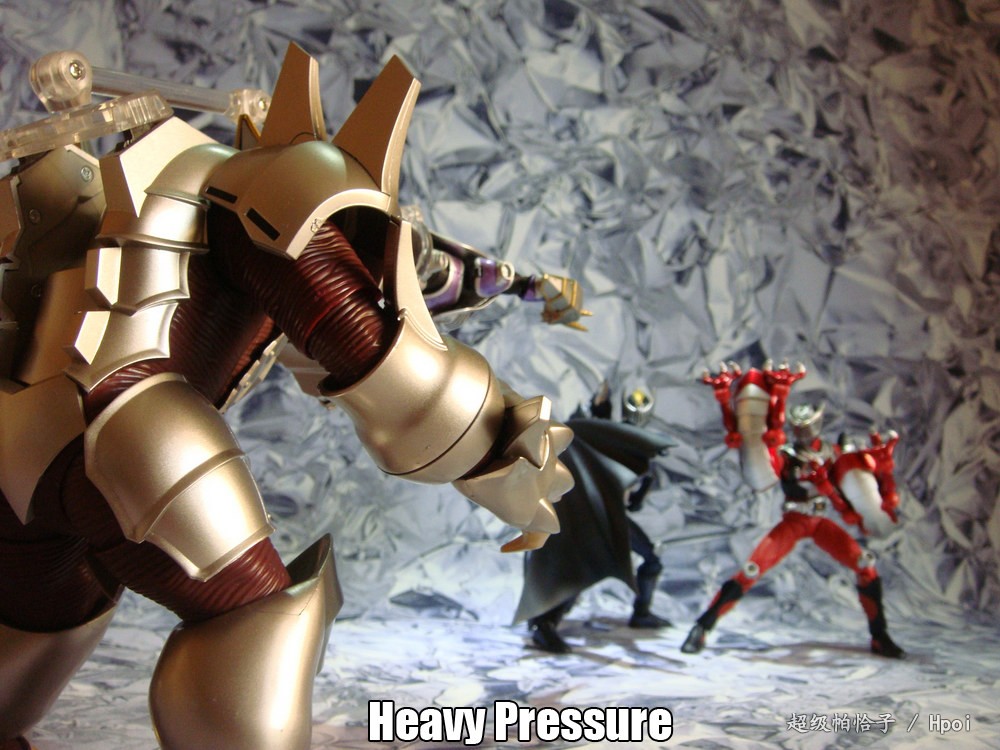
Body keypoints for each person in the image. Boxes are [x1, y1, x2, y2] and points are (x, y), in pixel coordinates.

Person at [0, 44, 574, 750]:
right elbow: (374, 351)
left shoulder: (115, 206)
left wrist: (519, 286)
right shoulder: (258, 191)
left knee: (29, 635)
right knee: (249, 614)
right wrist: (507, 455)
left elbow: (427, 276)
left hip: (17, 450)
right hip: (118, 432)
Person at [681, 361, 904, 659]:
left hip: (820, 520)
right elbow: (763, 454)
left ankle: (880, 636)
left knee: (866, 564)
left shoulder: (832, 453)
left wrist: (881, 472)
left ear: (818, 423)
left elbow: (850, 506)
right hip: (794, 520)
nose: (804, 431)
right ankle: (702, 626)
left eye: (808, 425)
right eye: (799, 427)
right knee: (751, 569)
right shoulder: (787, 454)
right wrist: (741, 408)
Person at [515, 384, 673, 653]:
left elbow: (632, 503)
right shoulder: (604, 436)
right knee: (578, 569)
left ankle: (641, 613)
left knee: (652, 558)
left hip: (613, 517)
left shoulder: (639, 453)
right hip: (585, 514)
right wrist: (601, 401)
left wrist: (644, 483)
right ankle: (544, 625)